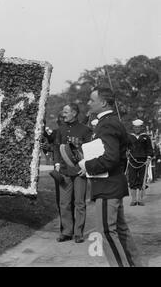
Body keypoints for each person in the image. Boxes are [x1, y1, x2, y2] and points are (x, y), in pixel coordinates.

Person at [78, 87, 142, 267]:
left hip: (107, 186)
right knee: (120, 231)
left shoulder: (107, 124)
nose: (89, 103)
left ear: (103, 102)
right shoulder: (111, 121)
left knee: (107, 232)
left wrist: (87, 165)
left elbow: (110, 157)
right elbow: (124, 147)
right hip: (113, 184)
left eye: (92, 99)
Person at [53, 103, 92, 243]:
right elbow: (56, 149)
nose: (63, 114)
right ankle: (67, 232)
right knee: (64, 203)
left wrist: (86, 167)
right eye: (63, 111)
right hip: (64, 171)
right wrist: (57, 164)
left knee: (79, 203)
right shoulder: (60, 130)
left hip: (79, 172)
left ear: (74, 113)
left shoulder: (85, 130)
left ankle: (78, 233)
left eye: (66, 111)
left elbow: (90, 151)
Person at [126, 119, 153, 206]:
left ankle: (140, 199)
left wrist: (149, 158)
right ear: (133, 127)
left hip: (143, 161)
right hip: (132, 161)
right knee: (132, 179)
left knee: (142, 179)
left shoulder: (146, 137)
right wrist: (126, 151)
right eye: (135, 127)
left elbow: (149, 148)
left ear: (141, 128)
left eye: (138, 127)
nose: (137, 129)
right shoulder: (129, 136)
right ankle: (134, 200)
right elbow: (125, 146)